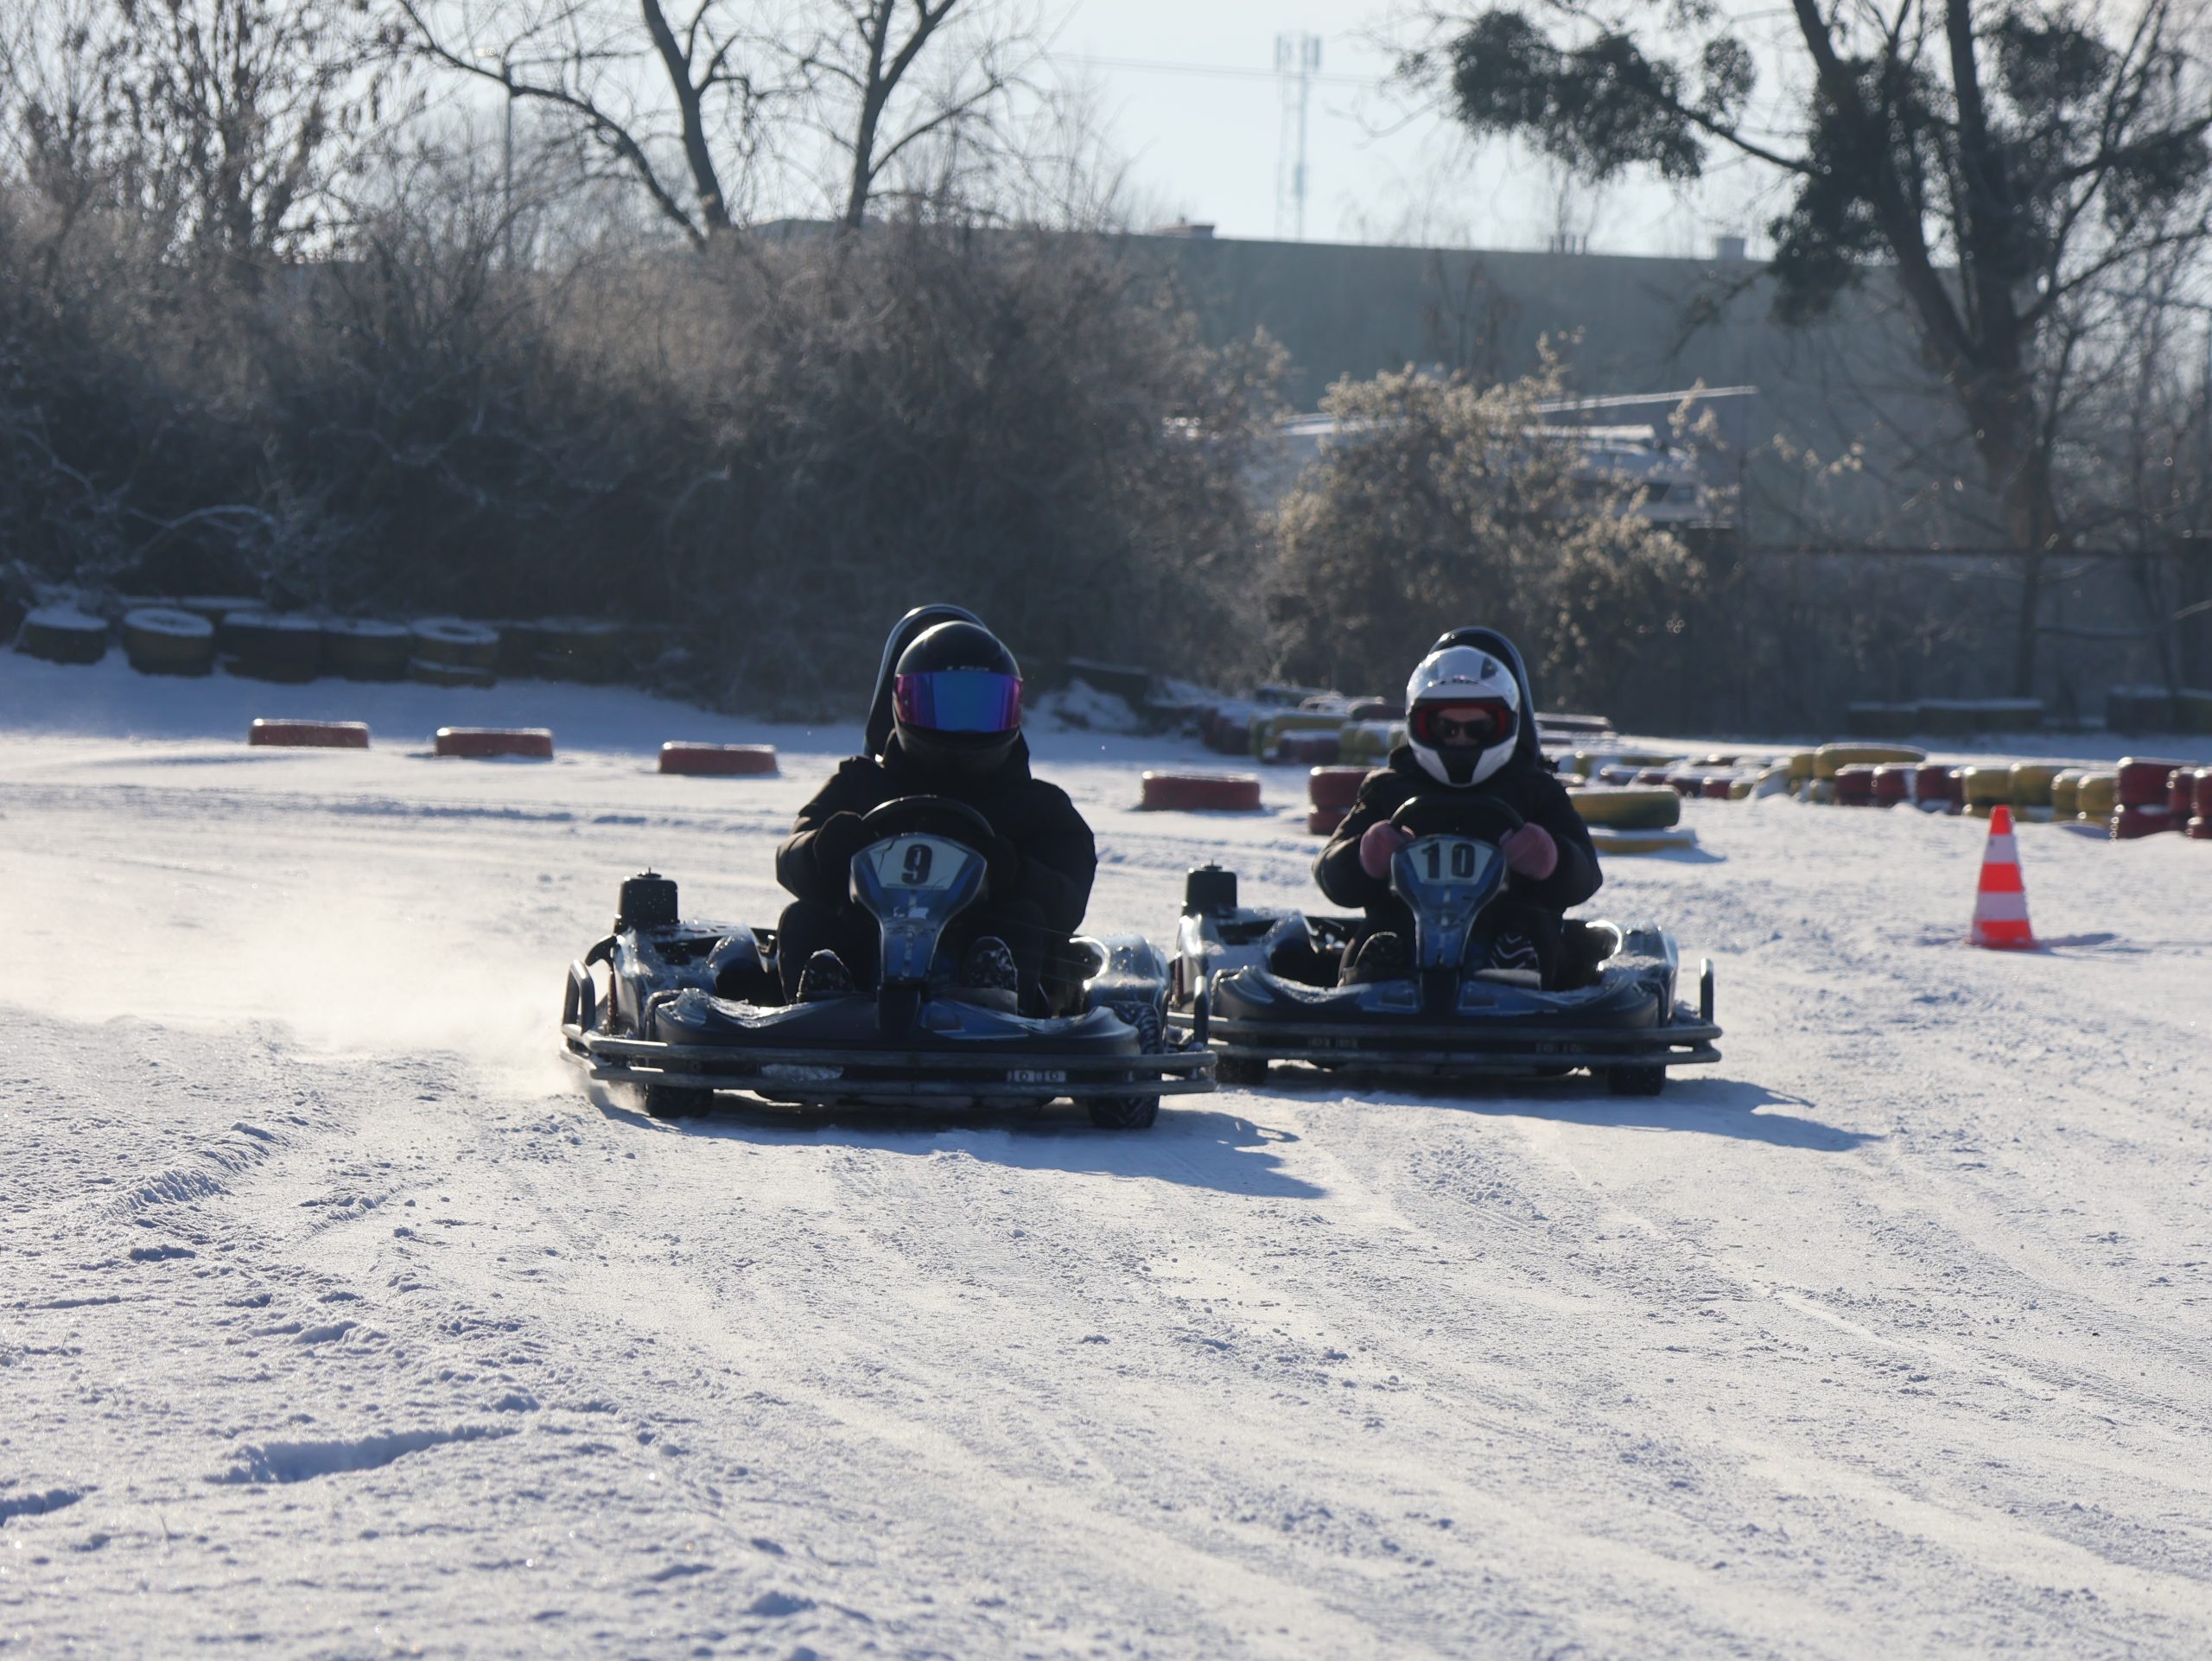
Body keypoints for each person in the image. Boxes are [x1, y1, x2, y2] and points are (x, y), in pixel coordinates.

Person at [772, 607, 1097, 1011]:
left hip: (983, 957)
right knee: (804, 918)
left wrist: (1014, 872)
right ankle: (821, 1010)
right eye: (945, 704)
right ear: (904, 704)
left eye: (981, 706)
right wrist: (823, 849)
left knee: (1024, 919)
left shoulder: (1039, 806)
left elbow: (1068, 900)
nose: (962, 725)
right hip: (865, 959)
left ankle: (993, 997)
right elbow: (790, 857)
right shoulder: (859, 785)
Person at [1313, 627, 1599, 988]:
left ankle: (1516, 968)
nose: (1460, 740)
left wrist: (1552, 859)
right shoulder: (1389, 788)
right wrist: (1365, 854)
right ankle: (1380, 971)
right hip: (1405, 930)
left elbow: (1587, 874)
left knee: (1532, 927)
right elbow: (1329, 874)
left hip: (1509, 927)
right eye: (1445, 728)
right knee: (1381, 929)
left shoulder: (1536, 790)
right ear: (1416, 723)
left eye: (1477, 728)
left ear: (1508, 723)